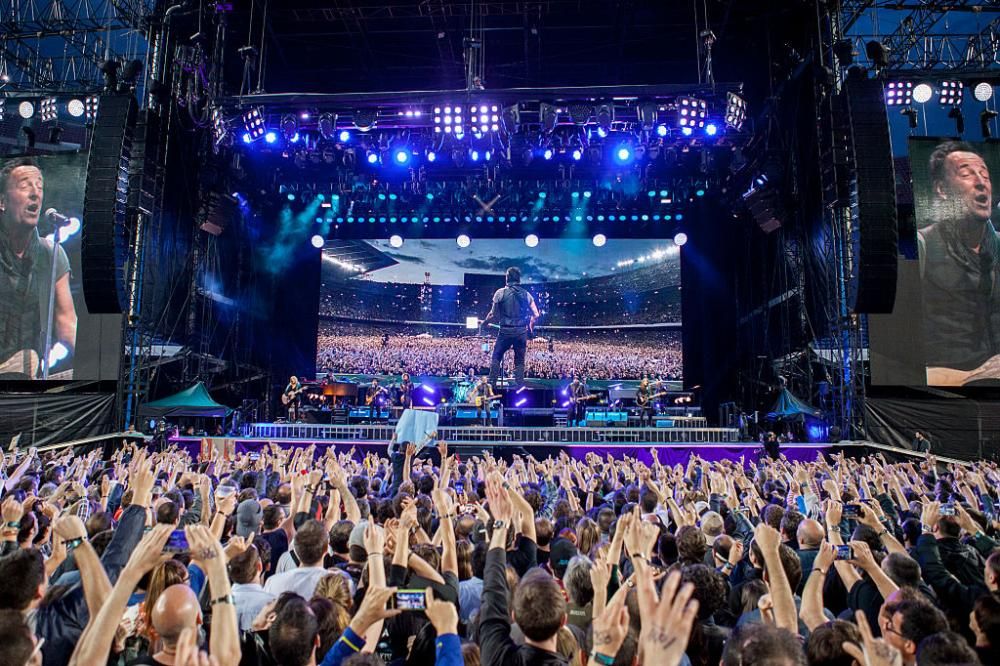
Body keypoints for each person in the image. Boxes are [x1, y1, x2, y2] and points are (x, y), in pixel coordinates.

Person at [917, 141, 1000, 386]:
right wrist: (969, 377)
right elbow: (896, 355)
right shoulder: (923, 245)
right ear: (942, 190)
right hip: (947, 390)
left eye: (985, 174)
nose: (981, 181)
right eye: (966, 174)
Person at [0, 157, 77, 378]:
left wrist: (96, 366)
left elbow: (67, 323)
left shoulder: (51, 254)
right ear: (3, 202)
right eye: (25, 186)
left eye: (40, 186)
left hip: (23, 377)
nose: (35, 193)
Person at [481, 267, 539, 390]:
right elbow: (536, 314)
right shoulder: (527, 294)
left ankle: (491, 385)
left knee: (497, 356)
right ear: (519, 279)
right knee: (519, 361)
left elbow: (492, 314)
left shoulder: (500, 293)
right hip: (521, 332)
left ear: (507, 278)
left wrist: (484, 323)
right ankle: (520, 387)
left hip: (505, 331)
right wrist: (531, 326)